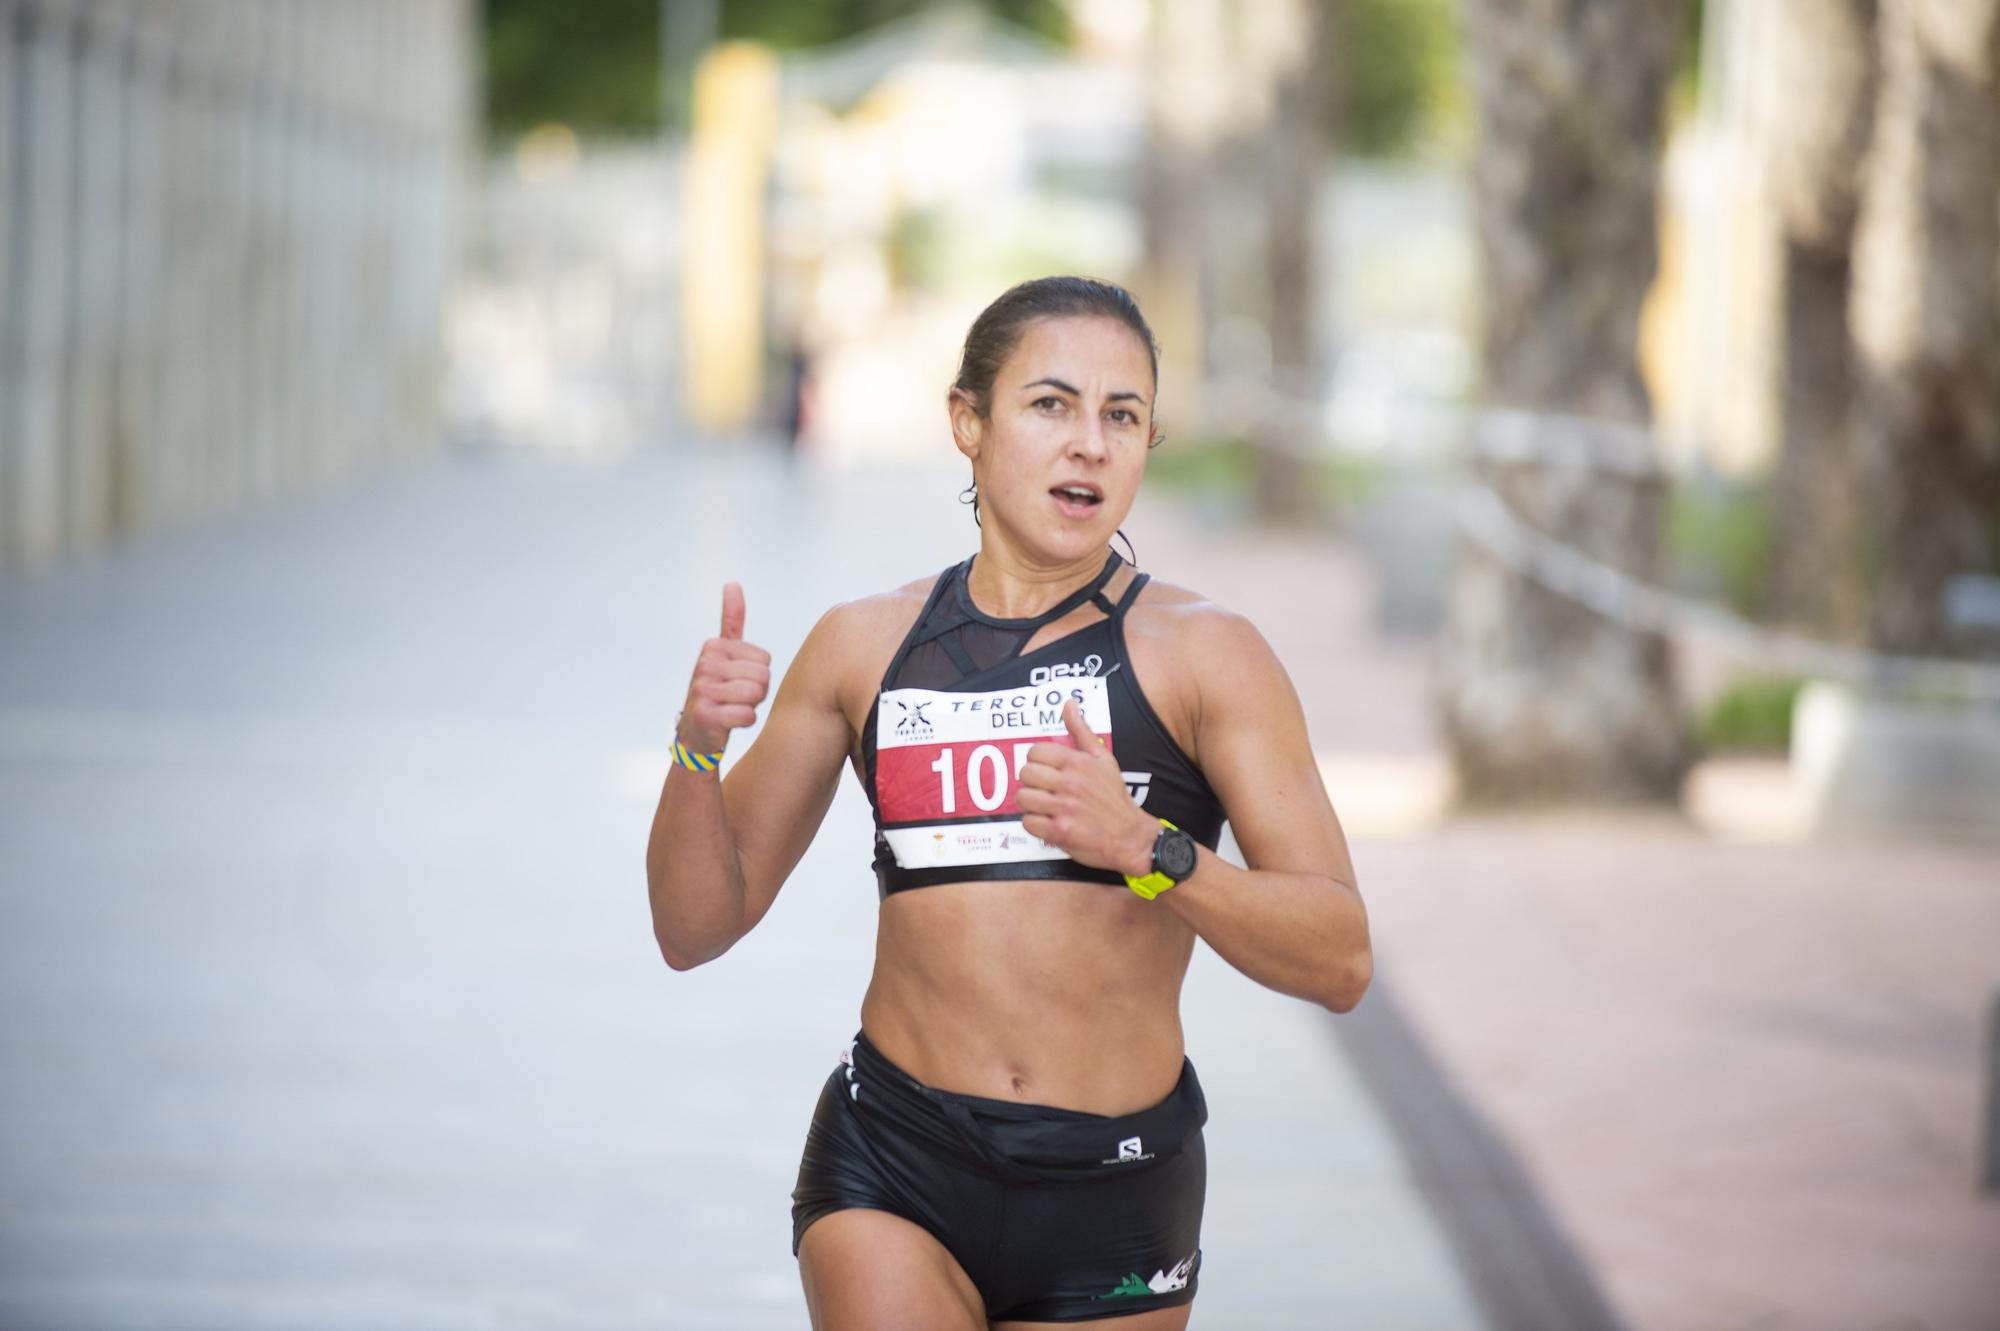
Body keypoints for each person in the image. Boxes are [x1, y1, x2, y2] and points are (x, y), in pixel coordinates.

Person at [646, 275, 1369, 1330]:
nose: (1088, 442)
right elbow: (693, 923)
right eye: (1050, 404)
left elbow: (1339, 956)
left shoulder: (1208, 655)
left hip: (1112, 1184)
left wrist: (1148, 846)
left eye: (1120, 415)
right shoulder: (864, 644)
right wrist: (696, 746)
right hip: (895, 1157)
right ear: (967, 423)